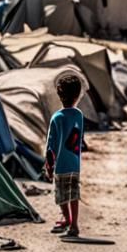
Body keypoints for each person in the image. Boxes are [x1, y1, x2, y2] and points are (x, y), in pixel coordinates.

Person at [45, 73, 87, 238]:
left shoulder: (57, 117)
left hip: (61, 165)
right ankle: (74, 224)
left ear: (59, 95)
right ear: (77, 96)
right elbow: (79, 138)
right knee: (74, 195)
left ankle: (67, 219)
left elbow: (51, 145)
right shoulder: (79, 115)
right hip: (75, 164)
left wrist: (49, 166)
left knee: (62, 196)